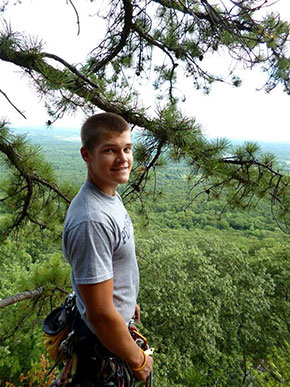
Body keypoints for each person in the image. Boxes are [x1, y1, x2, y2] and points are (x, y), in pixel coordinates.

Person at [62, 112, 153, 386]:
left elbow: (112, 266)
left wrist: (126, 300)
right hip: (100, 348)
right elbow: (100, 314)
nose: (123, 158)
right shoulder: (92, 220)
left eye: (127, 149)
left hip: (111, 331)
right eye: (110, 150)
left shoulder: (109, 194)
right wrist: (137, 359)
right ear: (86, 154)